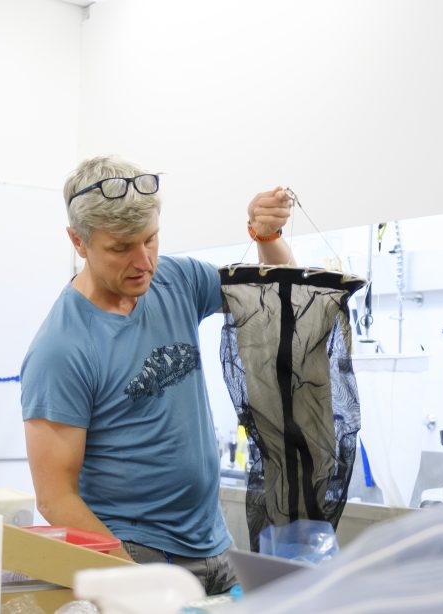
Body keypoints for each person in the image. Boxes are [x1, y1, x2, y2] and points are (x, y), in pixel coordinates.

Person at [20, 155, 294, 595]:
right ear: (78, 241)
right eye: (120, 247)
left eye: (150, 239)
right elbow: (55, 498)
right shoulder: (62, 348)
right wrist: (134, 581)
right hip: (136, 550)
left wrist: (268, 237)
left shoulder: (175, 280)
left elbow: (278, 296)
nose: (142, 261)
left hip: (214, 544)